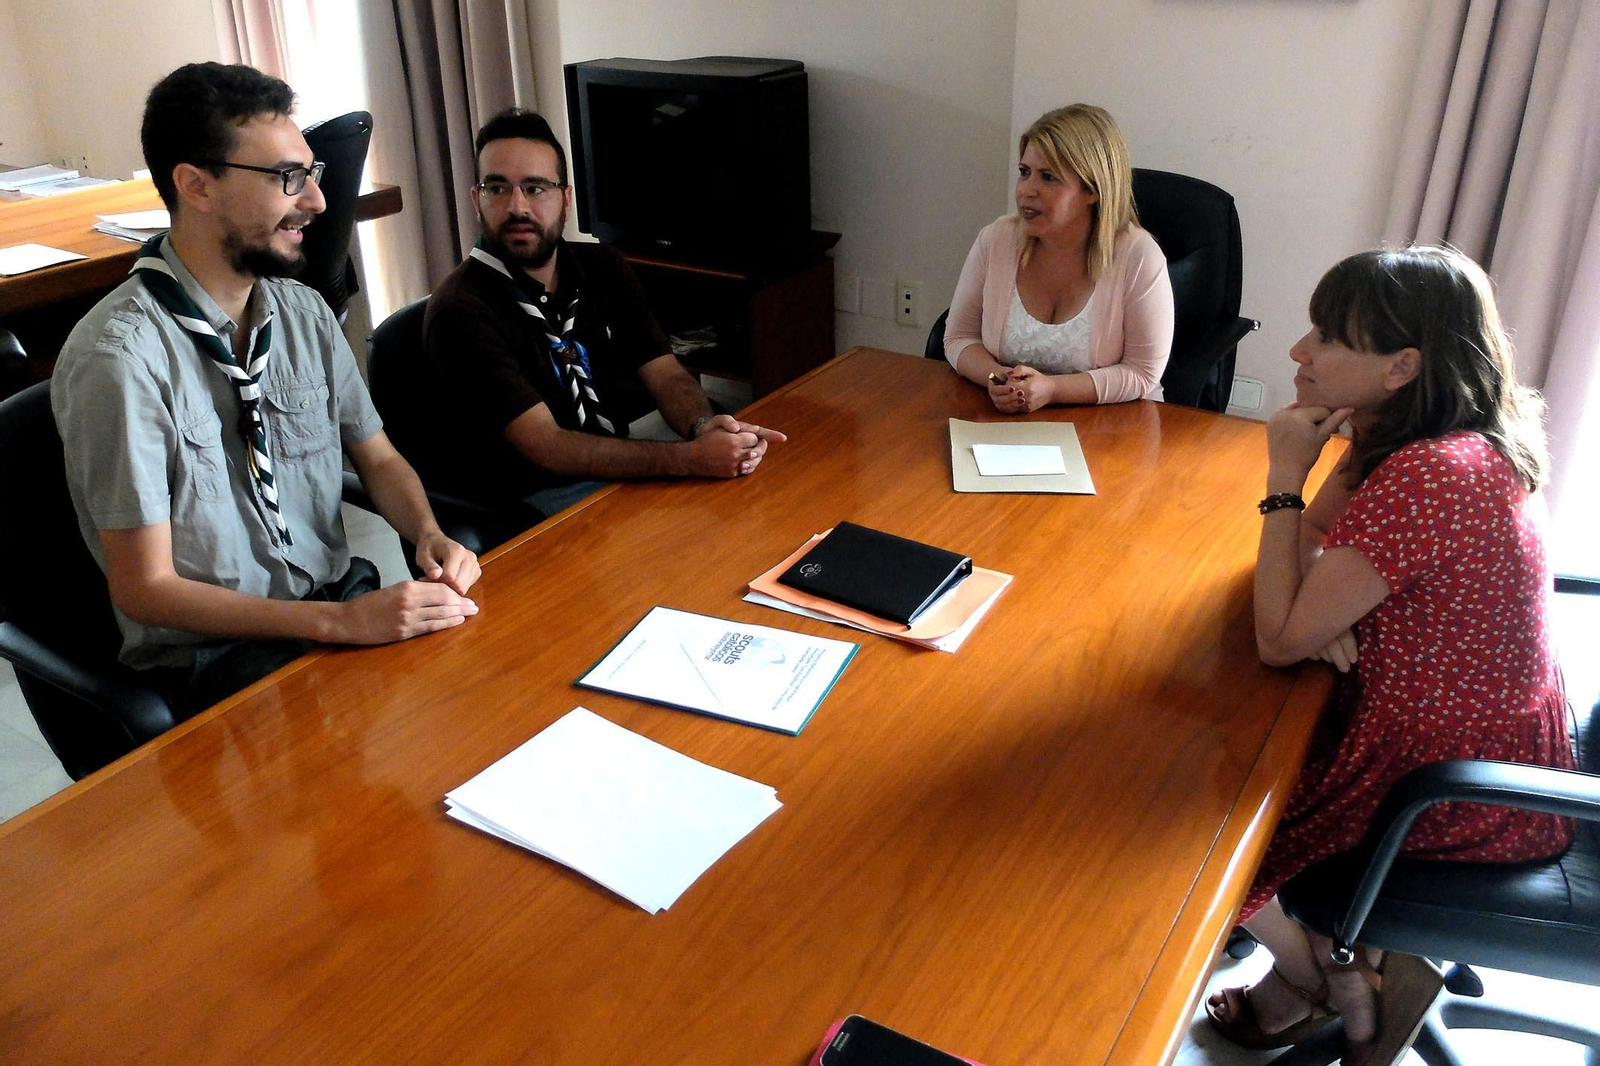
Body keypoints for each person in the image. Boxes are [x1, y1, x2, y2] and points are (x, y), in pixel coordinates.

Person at [1206, 246, 1575, 1066]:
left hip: (1451, 784)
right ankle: (1341, 964)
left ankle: (1312, 980)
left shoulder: (1432, 474)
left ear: (1402, 365)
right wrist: (1311, 593)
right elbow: (1305, 547)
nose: (1300, 352)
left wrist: (1283, 475)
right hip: (1477, 732)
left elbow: (1277, 638)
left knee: (1196, 814)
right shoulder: (1411, 432)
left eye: (1330, 337)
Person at [52, 62, 481, 717]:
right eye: (288, 179)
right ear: (196, 186)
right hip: (217, 662)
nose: (315, 201)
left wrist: (427, 534)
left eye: (312, 174)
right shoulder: (119, 359)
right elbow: (145, 590)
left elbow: (381, 459)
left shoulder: (304, 314)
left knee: (483, 696)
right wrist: (340, 626)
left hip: (331, 609)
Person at [422, 108, 786, 516]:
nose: (517, 207)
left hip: (616, 479)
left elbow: (663, 371)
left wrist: (702, 427)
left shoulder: (602, 267)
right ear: (477, 199)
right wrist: (689, 459)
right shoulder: (460, 310)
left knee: (760, 510)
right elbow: (549, 447)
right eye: (498, 188)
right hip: (528, 507)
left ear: (566, 199)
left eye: (536, 187)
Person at [944, 104, 1173, 412]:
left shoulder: (1139, 256)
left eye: (1048, 177)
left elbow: (1142, 373)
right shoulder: (997, 239)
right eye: (1024, 173)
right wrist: (1000, 381)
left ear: (1092, 190)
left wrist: (1051, 389)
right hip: (1005, 423)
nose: (1026, 190)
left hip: (1112, 428)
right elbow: (958, 337)